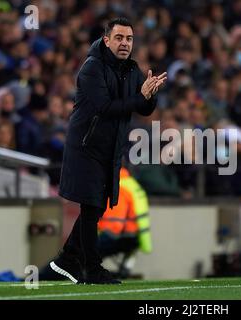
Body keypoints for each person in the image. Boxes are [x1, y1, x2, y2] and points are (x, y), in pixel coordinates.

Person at [49, 17, 167, 284]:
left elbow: (144, 108)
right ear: (106, 40)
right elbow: (106, 108)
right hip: (85, 147)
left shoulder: (131, 69)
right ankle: (92, 269)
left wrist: (151, 94)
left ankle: (67, 259)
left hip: (109, 148)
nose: (125, 43)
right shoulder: (92, 68)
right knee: (91, 206)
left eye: (129, 39)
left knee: (97, 206)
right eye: (119, 38)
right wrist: (140, 97)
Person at [97, 166, 152, 279]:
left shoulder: (119, 186)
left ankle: (87, 270)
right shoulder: (132, 184)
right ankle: (125, 268)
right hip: (135, 236)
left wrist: (98, 239)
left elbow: (115, 222)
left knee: (88, 249)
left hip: (118, 236)